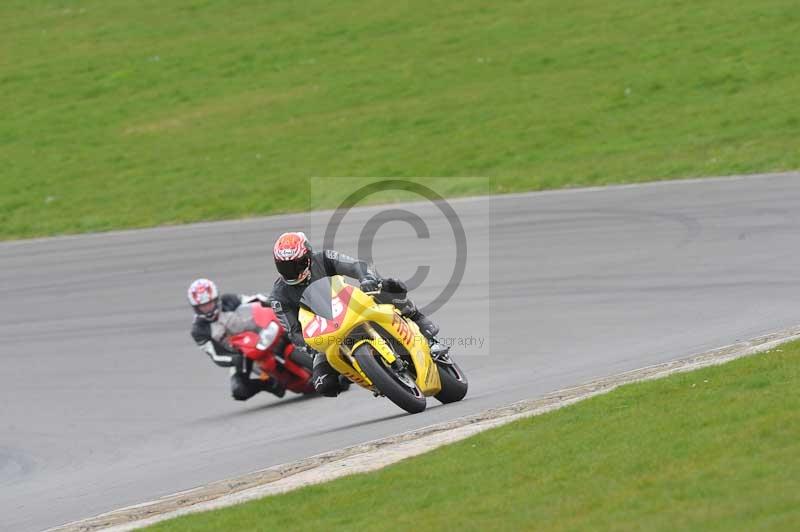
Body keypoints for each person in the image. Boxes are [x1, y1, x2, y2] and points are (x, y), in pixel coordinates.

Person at [269, 231, 447, 397]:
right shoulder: (278, 296)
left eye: (296, 264)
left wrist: (366, 278)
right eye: (285, 267)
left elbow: (356, 266)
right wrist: (308, 346)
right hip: (325, 334)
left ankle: (424, 327)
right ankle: (367, 376)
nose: (292, 271)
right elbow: (293, 331)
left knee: (389, 286)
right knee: (324, 385)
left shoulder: (323, 258)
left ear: (308, 257)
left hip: (352, 304)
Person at [187, 278, 287, 401]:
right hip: (241, 354)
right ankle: (267, 384)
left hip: (259, 331)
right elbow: (215, 355)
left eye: (209, 303)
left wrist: (272, 301)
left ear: (216, 299)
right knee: (239, 390)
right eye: (203, 306)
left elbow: (254, 299)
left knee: (288, 321)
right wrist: (234, 359)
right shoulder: (199, 330)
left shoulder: (228, 300)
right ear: (196, 308)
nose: (207, 308)